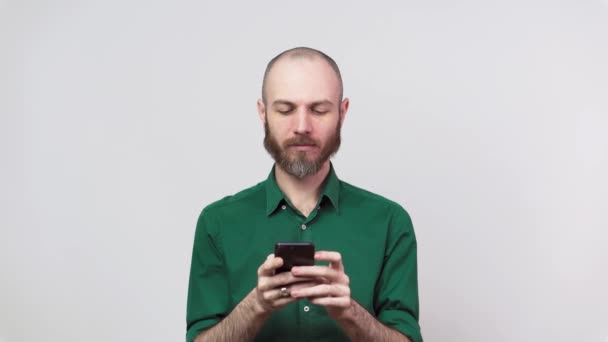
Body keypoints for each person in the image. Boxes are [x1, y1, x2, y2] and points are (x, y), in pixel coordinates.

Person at [186, 47, 423, 342]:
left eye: (319, 109)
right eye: (285, 109)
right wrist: (256, 305)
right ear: (263, 113)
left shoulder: (389, 221)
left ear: (342, 112)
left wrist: (349, 312)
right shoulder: (218, 222)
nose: (302, 127)